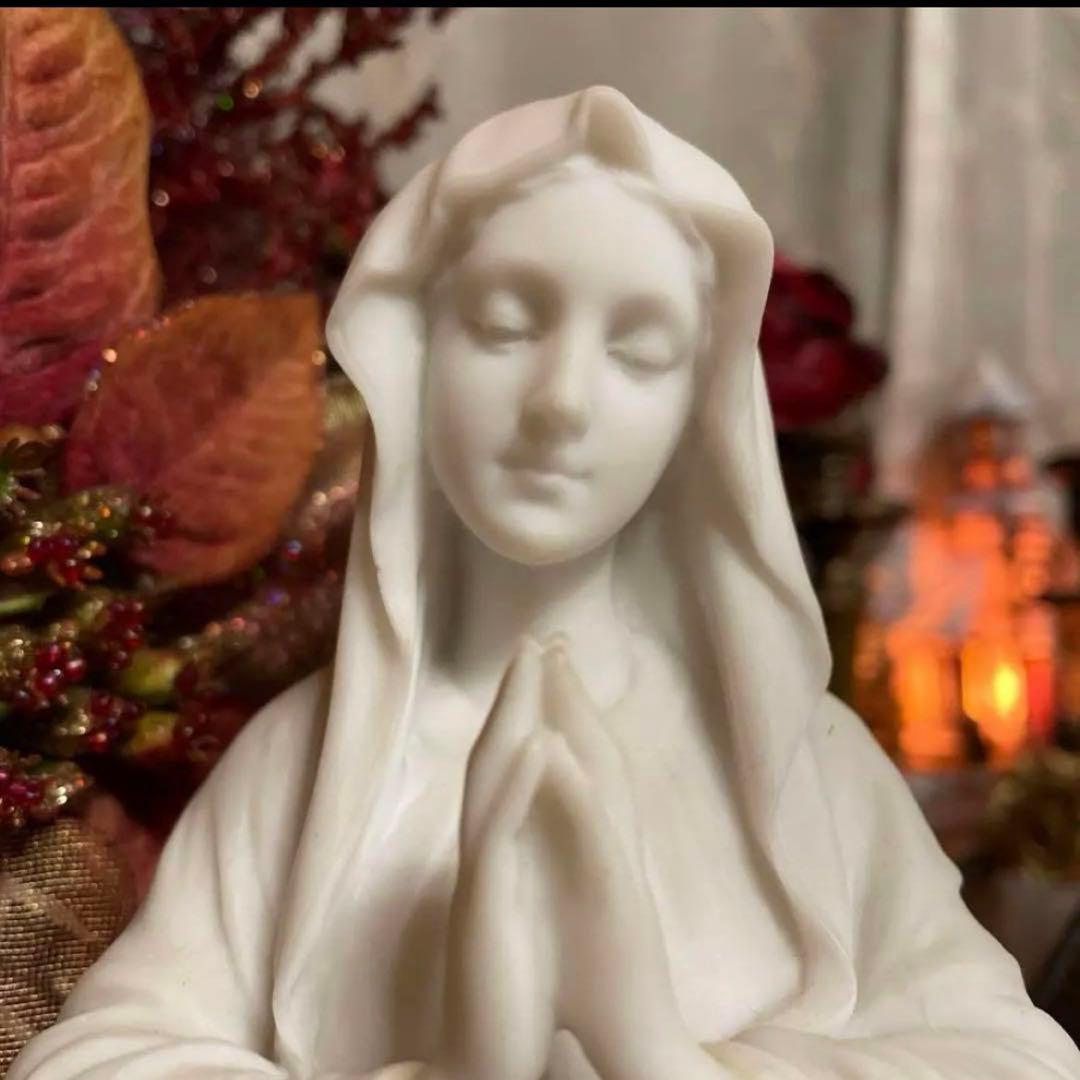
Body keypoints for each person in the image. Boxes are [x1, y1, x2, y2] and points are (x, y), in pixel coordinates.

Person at [11, 86, 1079, 1080]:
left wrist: (656, 1053)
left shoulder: (802, 770)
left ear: (697, 412)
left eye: (639, 352)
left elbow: (1012, 1060)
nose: (561, 402)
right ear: (419, 355)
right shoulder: (303, 770)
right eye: (507, 327)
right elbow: (93, 1063)